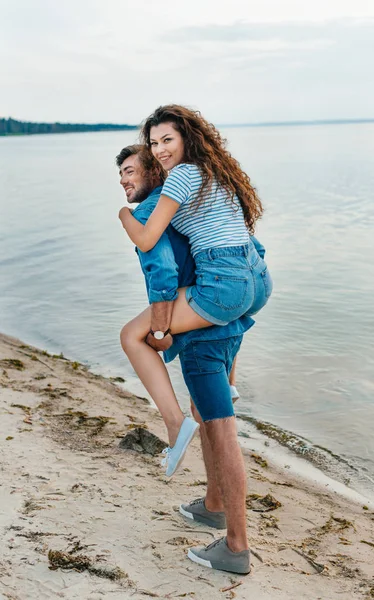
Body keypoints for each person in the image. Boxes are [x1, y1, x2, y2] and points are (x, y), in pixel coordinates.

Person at [117, 144, 271, 574]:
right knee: (205, 413)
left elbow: (163, 275)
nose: (125, 181)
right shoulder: (197, 201)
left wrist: (163, 331)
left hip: (202, 330)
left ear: (153, 170)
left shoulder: (151, 212)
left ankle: (237, 548)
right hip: (229, 317)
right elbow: (251, 249)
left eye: (131, 171)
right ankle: (213, 504)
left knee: (220, 430)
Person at [118, 105, 273, 477]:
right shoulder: (215, 172)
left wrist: (123, 215)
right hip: (258, 282)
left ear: (187, 138)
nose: (159, 149)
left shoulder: (181, 177)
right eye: (154, 143)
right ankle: (229, 386)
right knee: (223, 318)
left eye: (167, 140)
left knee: (131, 336)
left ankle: (176, 425)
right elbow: (247, 242)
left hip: (225, 286)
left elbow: (151, 242)